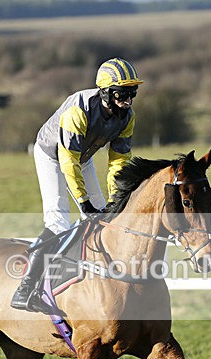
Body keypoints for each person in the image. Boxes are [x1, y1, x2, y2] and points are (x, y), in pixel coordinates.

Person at [11, 58, 143, 313]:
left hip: (83, 156)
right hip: (53, 154)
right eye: (123, 92)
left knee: (103, 216)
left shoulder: (127, 117)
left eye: (133, 92)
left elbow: (119, 162)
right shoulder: (78, 111)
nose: (129, 98)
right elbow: (67, 161)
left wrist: (116, 199)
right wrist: (83, 202)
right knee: (58, 221)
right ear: (106, 91)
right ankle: (25, 288)